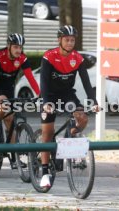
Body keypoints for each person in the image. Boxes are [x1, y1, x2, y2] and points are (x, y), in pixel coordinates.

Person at [39, 25, 100, 187]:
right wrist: (46, 103)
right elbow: (44, 82)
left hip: (67, 95)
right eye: (67, 40)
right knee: (47, 133)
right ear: (60, 40)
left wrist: (93, 101)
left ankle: (69, 139)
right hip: (49, 96)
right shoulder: (49, 56)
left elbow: (86, 83)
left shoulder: (77, 58)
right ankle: (44, 172)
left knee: (82, 117)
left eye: (73, 40)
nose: (70, 43)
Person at [0, 33, 40, 169]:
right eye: (16, 47)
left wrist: (40, 94)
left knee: (10, 120)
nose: (18, 50)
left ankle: (13, 158)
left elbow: (30, 77)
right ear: (9, 46)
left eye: (20, 47)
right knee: (3, 109)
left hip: (9, 88)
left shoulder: (22, 58)